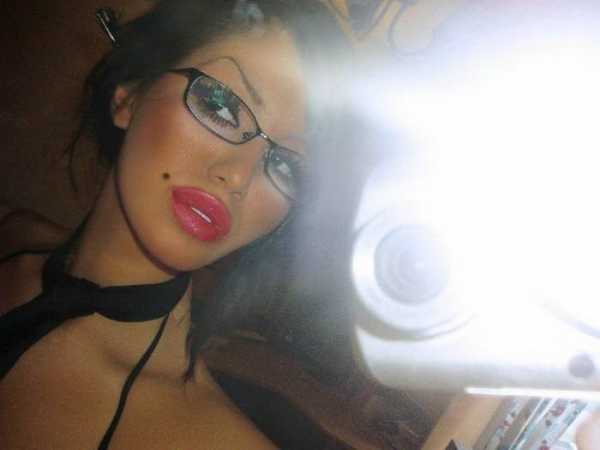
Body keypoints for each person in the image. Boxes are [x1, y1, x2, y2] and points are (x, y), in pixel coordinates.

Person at [0, 1, 354, 449]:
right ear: (129, 94)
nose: (239, 176)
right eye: (222, 107)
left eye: (287, 166)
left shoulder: (212, 438)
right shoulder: (12, 234)